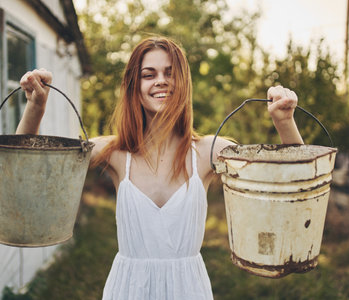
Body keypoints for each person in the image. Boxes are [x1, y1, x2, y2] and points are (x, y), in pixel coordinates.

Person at [17, 36, 303, 300]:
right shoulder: (116, 152)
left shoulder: (208, 152)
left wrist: (284, 121)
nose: (161, 81)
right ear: (134, 86)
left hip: (188, 289)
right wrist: (35, 108)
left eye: (170, 73)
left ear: (183, 83)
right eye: (149, 74)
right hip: (128, 289)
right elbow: (30, 168)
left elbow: (296, 178)